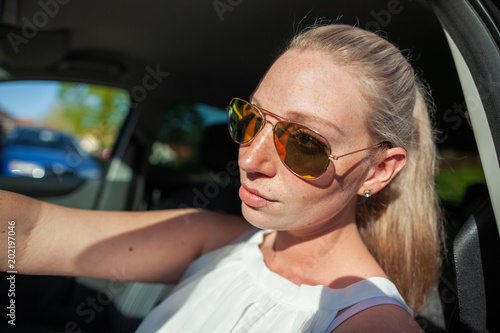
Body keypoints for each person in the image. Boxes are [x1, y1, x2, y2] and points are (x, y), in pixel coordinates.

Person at [0, 24, 441, 332]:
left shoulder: (369, 323)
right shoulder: (216, 239)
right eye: (248, 119)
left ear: (380, 170)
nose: (250, 157)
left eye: (305, 142)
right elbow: (30, 230)